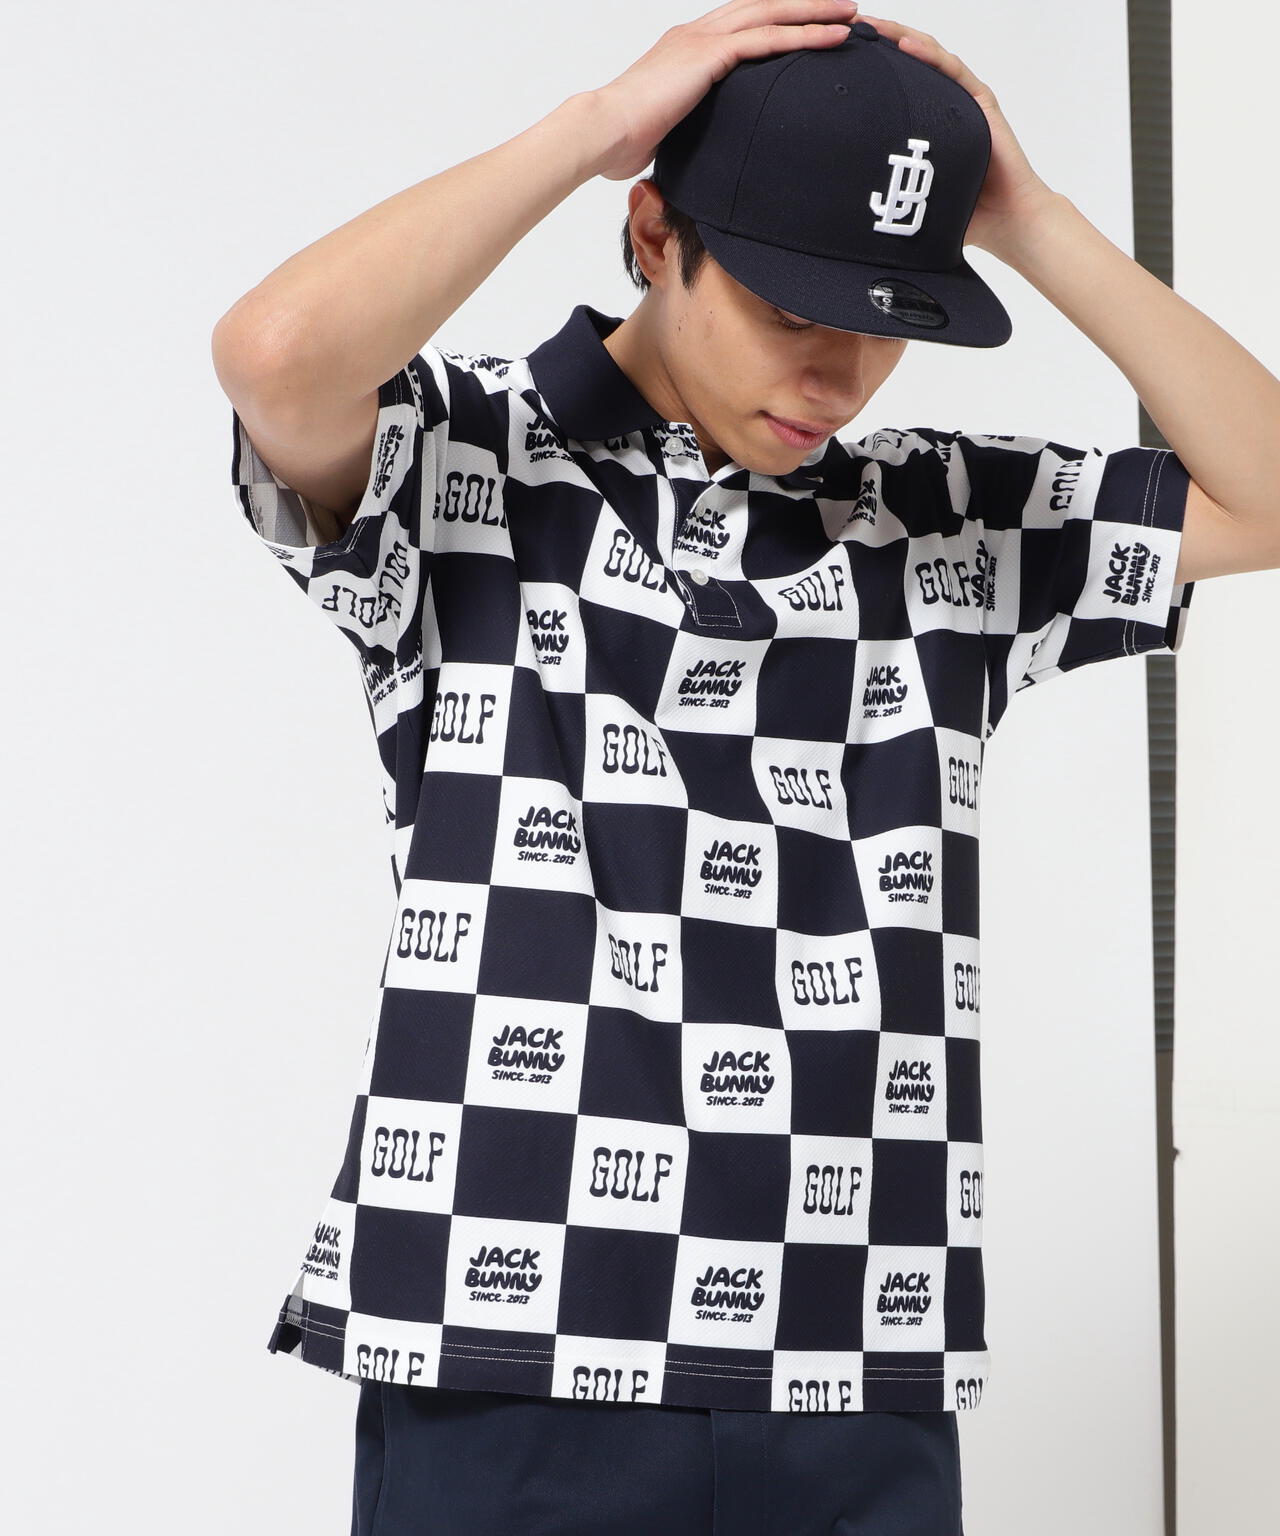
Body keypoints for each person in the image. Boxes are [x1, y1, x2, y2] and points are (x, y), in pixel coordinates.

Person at [211, 4, 1280, 1532]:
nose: (839, 374)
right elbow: (274, 354)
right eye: (793, 310)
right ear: (658, 236)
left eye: (891, 322)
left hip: (859, 1352)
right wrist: (598, 124)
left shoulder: (947, 523)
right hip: (513, 1347)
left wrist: (1033, 223)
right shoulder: (465, 462)